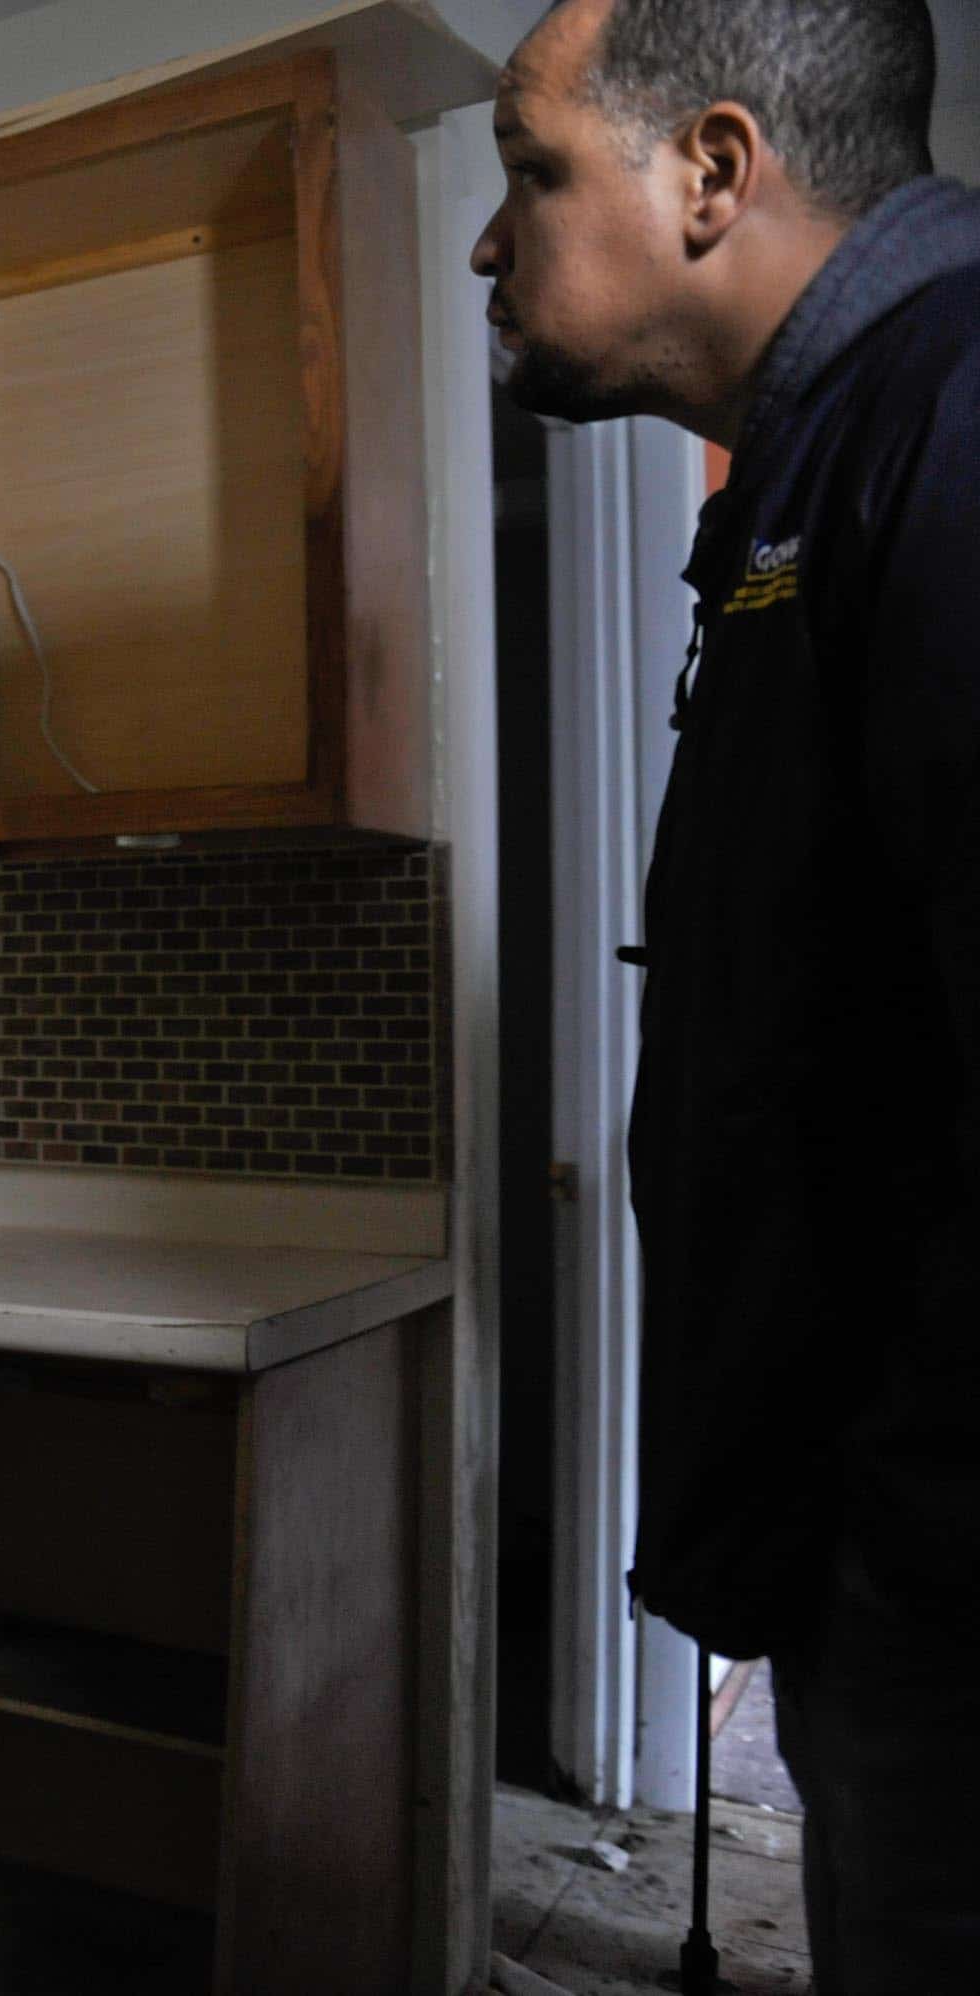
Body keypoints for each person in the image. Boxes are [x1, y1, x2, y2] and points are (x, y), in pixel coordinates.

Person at [472, 0, 975, 1984]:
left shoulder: (948, 422)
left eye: (529, 168)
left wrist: (909, 1545)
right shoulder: (820, 465)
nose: (491, 240)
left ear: (710, 172)